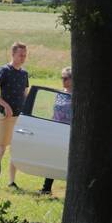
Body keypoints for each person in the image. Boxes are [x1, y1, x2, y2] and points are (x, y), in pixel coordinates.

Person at [0, 42, 29, 189]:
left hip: (19, 117)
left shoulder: (24, 73)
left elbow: (25, 94)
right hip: (5, 116)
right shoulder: (4, 70)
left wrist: (27, 111)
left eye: (25, 55)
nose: (23, 58)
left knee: (15, 149)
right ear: (13, 54)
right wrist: (5, 105)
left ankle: (12, 182)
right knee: (1, 148)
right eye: (20, 55)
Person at [41, 67, 72, 195]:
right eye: (62, 78)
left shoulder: (78, 95)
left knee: (68, 160)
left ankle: (71, 189)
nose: (62, 80)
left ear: (72, 79)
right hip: (56, 129)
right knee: (52, 158)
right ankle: (46, 188)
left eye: (65, 78)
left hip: (69, 131)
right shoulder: (60, 93)